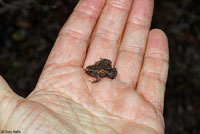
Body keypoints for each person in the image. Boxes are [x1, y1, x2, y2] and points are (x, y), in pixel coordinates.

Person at [0, 0, 169, 133]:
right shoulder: (94, 70)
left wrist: (99, 76)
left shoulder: (98, 73)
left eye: (89, 71)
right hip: (104, 66)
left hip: (106, 68)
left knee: (109, 70)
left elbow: (100, 75)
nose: (88, 72)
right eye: (89, 71)